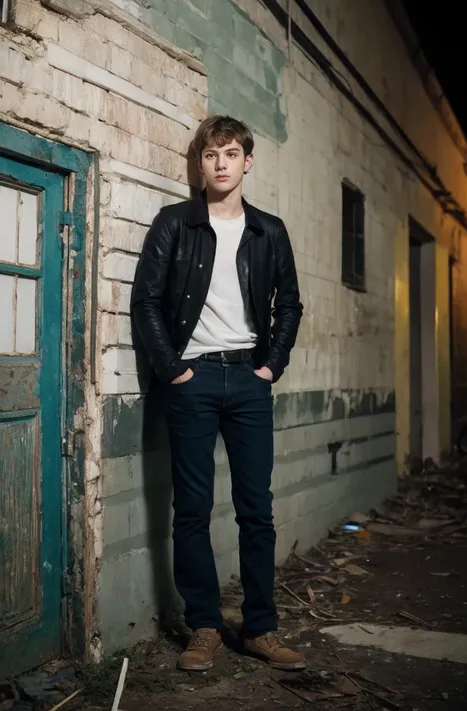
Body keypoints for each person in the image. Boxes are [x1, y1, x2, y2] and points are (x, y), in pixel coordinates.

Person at [131, 115, 305, 672]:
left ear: (247, 162)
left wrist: (271, 366)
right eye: (212, 155)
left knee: (257, 510)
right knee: (192, 509)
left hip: (250, 380)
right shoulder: (174, 224)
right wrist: (174, 369)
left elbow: (291, 304)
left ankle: (260, 628)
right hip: (195, 380)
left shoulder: (268, 231)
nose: (222, 163)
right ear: (200, 164)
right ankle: (203, 627)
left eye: (231, 153)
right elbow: (146, 303)